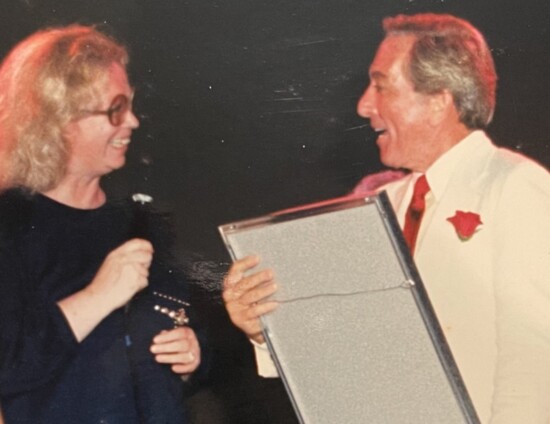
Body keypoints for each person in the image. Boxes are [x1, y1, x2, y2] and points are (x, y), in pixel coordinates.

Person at [222, 13, 550, 424]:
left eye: (380, 85)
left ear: (437, 101)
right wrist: (263, 325)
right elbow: (343, 350)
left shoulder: (516, 187)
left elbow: (535, 366)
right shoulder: (377, 205)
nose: (364, 104)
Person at [0, 25, 203, 423]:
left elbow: (187, 323)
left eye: (130, 105)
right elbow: (8, 364)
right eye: (115, 109)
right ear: (57, 120)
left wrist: (194, 353)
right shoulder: (9, 225)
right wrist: (98, 296)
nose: (133, 122)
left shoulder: (141, 219)